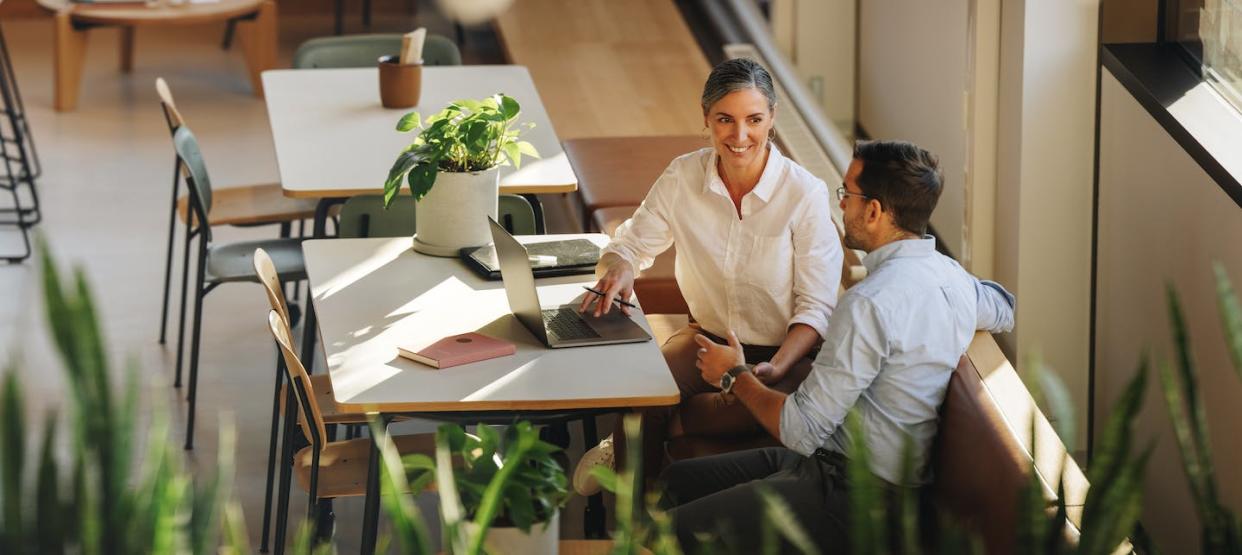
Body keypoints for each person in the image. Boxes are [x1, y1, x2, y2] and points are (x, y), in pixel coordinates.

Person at [659, 140, 1016, 551]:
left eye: (846, 194)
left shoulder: (868, 303)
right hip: (837, 467)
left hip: (854, 498)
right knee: (675, 481)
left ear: (874, 211)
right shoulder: (950, 277)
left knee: (664, 533)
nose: (841, 205)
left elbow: (798, 429)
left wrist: (733, 374)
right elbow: (1004, 307)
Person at [573, 58, 844, 495]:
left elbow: (816, 309)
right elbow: (630, 245)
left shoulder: (804, 194)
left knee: (728, 409)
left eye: (754, 120)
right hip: (705, 340)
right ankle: (632, 528)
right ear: (706, 119)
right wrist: (621, 267)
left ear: (772, 118)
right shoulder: (683, 176)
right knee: (642, 390)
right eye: (725, 120)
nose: (740, 136)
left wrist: (769, 370)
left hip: (785, 355)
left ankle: (657, 433)